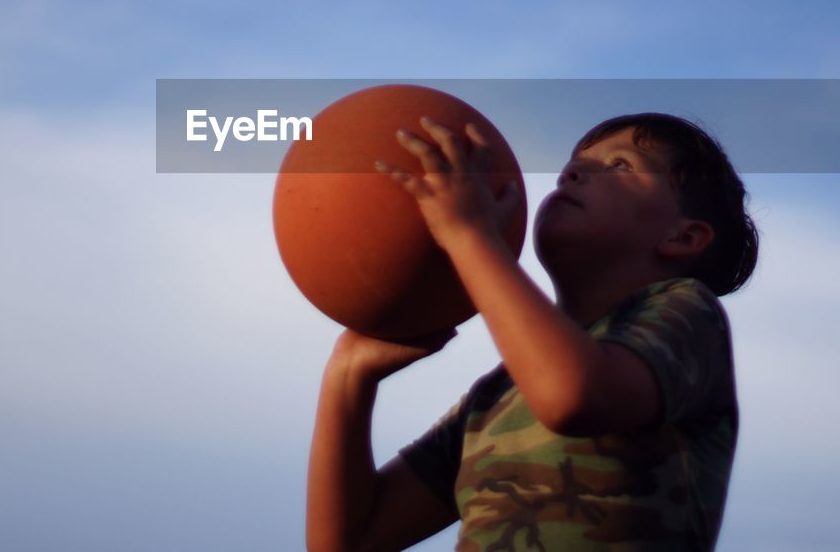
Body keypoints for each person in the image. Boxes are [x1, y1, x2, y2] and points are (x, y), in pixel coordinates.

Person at [306, 112, 758, 551]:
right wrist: (349, 374)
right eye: (573, 164)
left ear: (683, 237)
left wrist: (469, 234)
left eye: (620, 165)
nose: (575, 171)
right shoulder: (497, 395)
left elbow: (572, 396)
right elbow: (346, 541)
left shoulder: (687, 313)